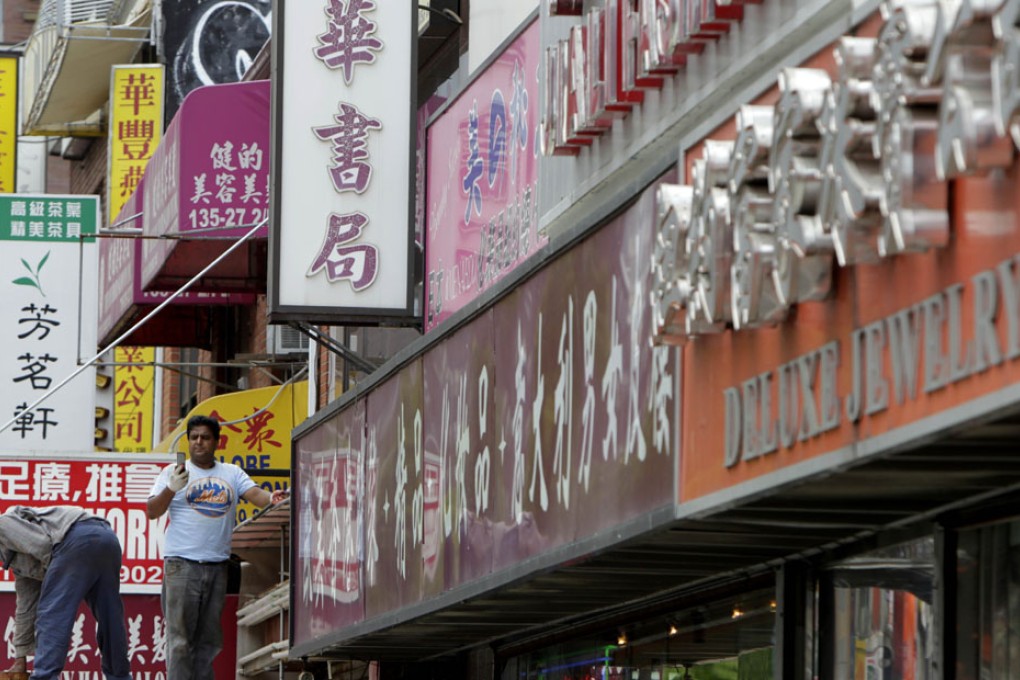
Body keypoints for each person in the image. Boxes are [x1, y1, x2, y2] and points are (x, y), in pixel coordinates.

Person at [147, 414, 287, 680]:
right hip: (182, 565)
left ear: (216, 442)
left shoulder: (231, 472)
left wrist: (271, 498)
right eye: (194, 437)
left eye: (205, 437)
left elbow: (255, 494)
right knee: (179, 641)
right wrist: (171, 489)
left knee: (209, 641)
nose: (199, 442)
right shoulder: (172, 473)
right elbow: (152, 510)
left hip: (217, 565)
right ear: (188, 441)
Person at [0, 506, 130, 680]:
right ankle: (120, 676)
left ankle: (44, 677)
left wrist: (56, 578)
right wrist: (20, 659)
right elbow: (26, 609)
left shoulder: (3, 524)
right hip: (107, 539)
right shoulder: (18, 562)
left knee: (52, 614)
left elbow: (44, 546)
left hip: (75, 537)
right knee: (110, 616)